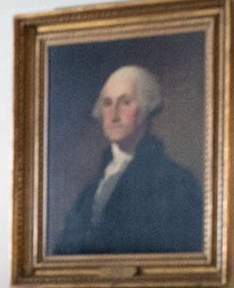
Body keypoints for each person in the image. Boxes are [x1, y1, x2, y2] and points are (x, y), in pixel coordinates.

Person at [52, 64, 204, 256]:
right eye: (107, 103)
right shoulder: (88, 194)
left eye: (125, 102)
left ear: (146, 109)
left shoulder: (176, 183)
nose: (114, 115)